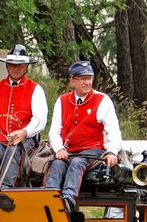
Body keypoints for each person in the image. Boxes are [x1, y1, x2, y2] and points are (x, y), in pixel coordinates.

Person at [44, 61, 122, 210]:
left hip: (92, 149)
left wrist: (112, 151)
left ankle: (67, 201)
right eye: (82, 78)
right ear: (72, 81)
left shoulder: (102, 100)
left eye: (89, 78)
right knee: (57, 164)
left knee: (77, 163)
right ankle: (48, 201)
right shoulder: (62, 100)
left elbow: (114, 130)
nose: (87, 82)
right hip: (69, 150)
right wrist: (59, 149)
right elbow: (54, 131)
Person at [0, 44, 48, 190]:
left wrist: (24, 132)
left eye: (20, 65)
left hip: (25, 137)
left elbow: (40, 119)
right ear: (7, 65)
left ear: (26, 66)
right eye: (13, 64)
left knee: (11, 155)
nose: (16, 68)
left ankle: (5, 193)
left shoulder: (36, 89)